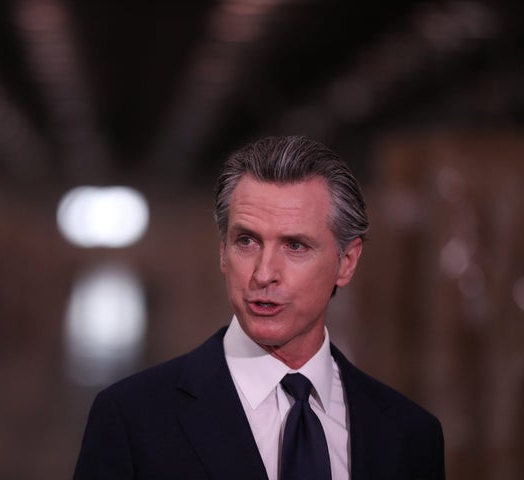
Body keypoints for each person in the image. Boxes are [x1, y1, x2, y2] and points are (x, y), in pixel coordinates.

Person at [73, 135, 445, 480]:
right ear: (223, 252)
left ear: (346, 261)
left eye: (295, 246)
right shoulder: (131, 419)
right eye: (247, 241)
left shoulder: (410, 434)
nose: (264, 274)